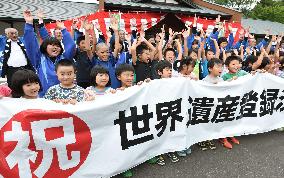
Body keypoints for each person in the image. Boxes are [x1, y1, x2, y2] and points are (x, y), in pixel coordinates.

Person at [23, 10, 76, 97]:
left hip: (64, 96)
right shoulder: (39, 59)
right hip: (44, 96)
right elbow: (30, 44)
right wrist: (29, 23)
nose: (55, 47)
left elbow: (71, 45)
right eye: (51, 45)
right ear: (45, 47)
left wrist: (63, 29)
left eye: (57, 45)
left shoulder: (64, 59)